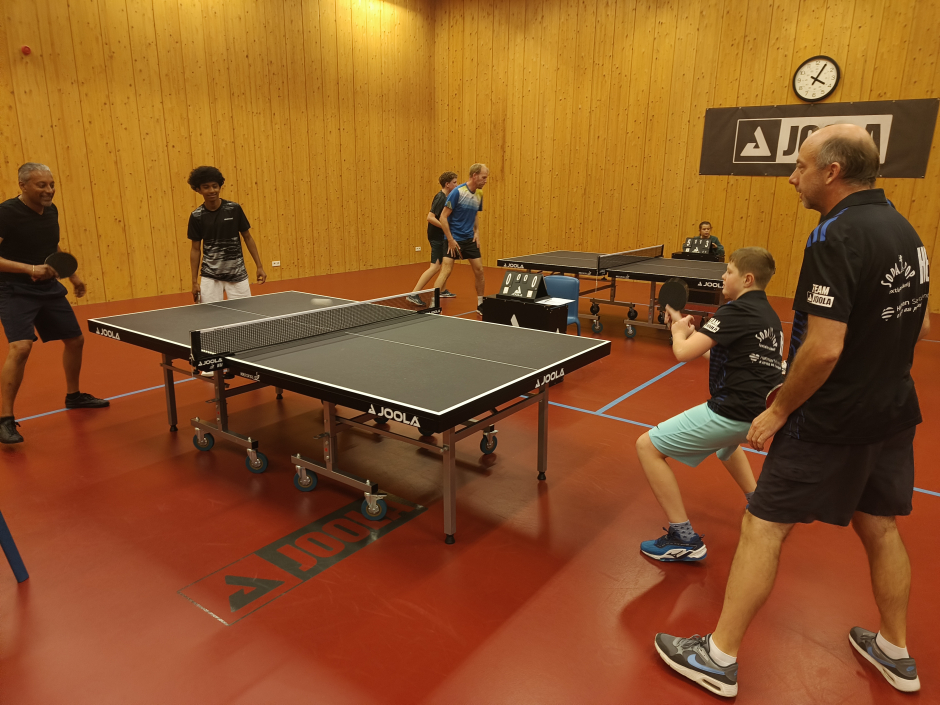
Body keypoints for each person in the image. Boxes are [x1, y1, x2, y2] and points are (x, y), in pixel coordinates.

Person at [655, 124, 931, 698]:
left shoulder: (834, 234)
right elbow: (921, 323)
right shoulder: (905, 230)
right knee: (880, 525)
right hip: (892, 407)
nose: (792, 177)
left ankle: (718, 657)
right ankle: (894, 650)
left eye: (800, 166)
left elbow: (824, 348)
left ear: (832, 171)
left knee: (762, 526)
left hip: (830, 417)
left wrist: (779, 409)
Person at [637, 247, 783, 562]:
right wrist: (690, 333)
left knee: (647, 446)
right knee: (726, 448)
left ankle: (683, 538)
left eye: (728, 271)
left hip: (732, 412)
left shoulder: (734, 311)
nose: (723, 276)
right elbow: (719, 355)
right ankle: (758, 502)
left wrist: (678, 333)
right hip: (760, 413)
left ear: (747, 279)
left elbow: (682, 354)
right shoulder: (768, 315)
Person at [0, 163, 110, 444]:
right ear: (23, 185)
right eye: (42, 185)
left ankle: (74, 396)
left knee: (75, 340)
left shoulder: (51, 211)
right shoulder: (6, 213)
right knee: (21, 347)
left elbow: (52, 247)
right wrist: (29, 269)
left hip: (47, 287)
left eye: (51, 184)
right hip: (13, 289)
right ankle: (5, 419)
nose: (49, 190)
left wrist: (72, 275)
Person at [187, 166, 266, 304]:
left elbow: (247, 237)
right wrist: (194, 282)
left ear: (219, 186)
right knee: (209, 315)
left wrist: (259, 266)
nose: (212, 190)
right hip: (210, 276)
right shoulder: (196, 216)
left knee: (244, 314)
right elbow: (195, 249)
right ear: (198, 190)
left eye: (215, 186)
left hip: (237, 274)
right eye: (206, 187)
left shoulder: (234, 209)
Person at [432, 164, 489, 313]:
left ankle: (480, 304)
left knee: (479, 270)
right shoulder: (457, 192)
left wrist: (477, 232)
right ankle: (433, 304)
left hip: (469, 239)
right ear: (474, 175)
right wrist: (450, 240)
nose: (486, 181)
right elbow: (443, 217)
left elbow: (475, 214)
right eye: (483, 177)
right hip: (454, 239)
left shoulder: (479, 194)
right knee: (446, 271)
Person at [406, 172, 458, 307]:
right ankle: (413, 294)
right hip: (437, 237)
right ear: (447, 184)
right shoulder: (440, 197)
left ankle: (442, 290)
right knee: (435, 267)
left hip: (442, 236)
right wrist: (445, 227)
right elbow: (430, 217)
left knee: (445, 263)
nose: (457, 185)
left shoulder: (447, 197)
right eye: (454, 182)